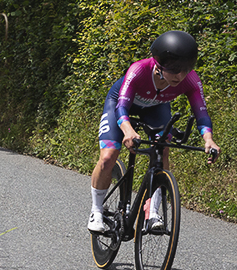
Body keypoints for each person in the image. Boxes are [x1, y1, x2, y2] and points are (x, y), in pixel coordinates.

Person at [87, 30, 221, 233]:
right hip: (121, 106)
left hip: (156, 109)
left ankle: (153, 212)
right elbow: (121, 106)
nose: (180, 76)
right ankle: (96, 211)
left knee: (162, 150)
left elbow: (201, 112)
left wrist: (208, 139)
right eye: (175, 69)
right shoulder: (139, 70)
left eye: (185, 69)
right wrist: (128, 130)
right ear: (159, 64)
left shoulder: (191, 80)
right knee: (108, 157)